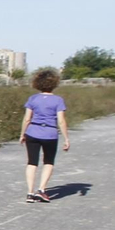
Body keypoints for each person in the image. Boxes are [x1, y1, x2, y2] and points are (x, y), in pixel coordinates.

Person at [19, 68, 70, 203]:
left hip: (32, 132)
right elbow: (61, 121)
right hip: (50, 134)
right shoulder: (58, 100)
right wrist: (66, 138)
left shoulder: (33, 99)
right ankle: (41, 190)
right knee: (48, 161)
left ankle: (30, 193)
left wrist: (22, 134)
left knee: (32, 162)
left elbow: (27, 119)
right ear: (54, 84)